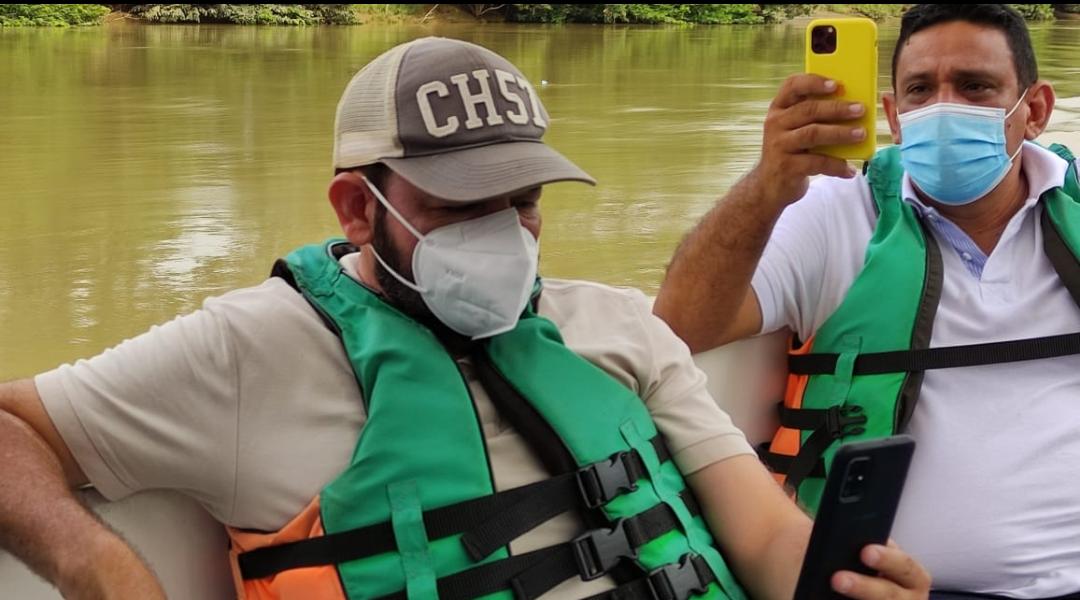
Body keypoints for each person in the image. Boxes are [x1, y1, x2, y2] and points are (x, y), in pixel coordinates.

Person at [0, 37, 928, 600]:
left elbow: (762, 535)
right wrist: (97, 568)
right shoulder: (250, 350)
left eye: (522, 200)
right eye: (458, 206)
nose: (506, 233)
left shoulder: (616, 324)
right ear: (358, 210)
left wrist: (847, 579)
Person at [655, 4, 1080, 599]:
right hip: (894, 588)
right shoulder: (832, 213)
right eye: (920, 89)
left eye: (975, 87)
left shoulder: (1075, 215)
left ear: (1033, 110)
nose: (943, 106)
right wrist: (767, 187)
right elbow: (677, 330)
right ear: (893, 116)